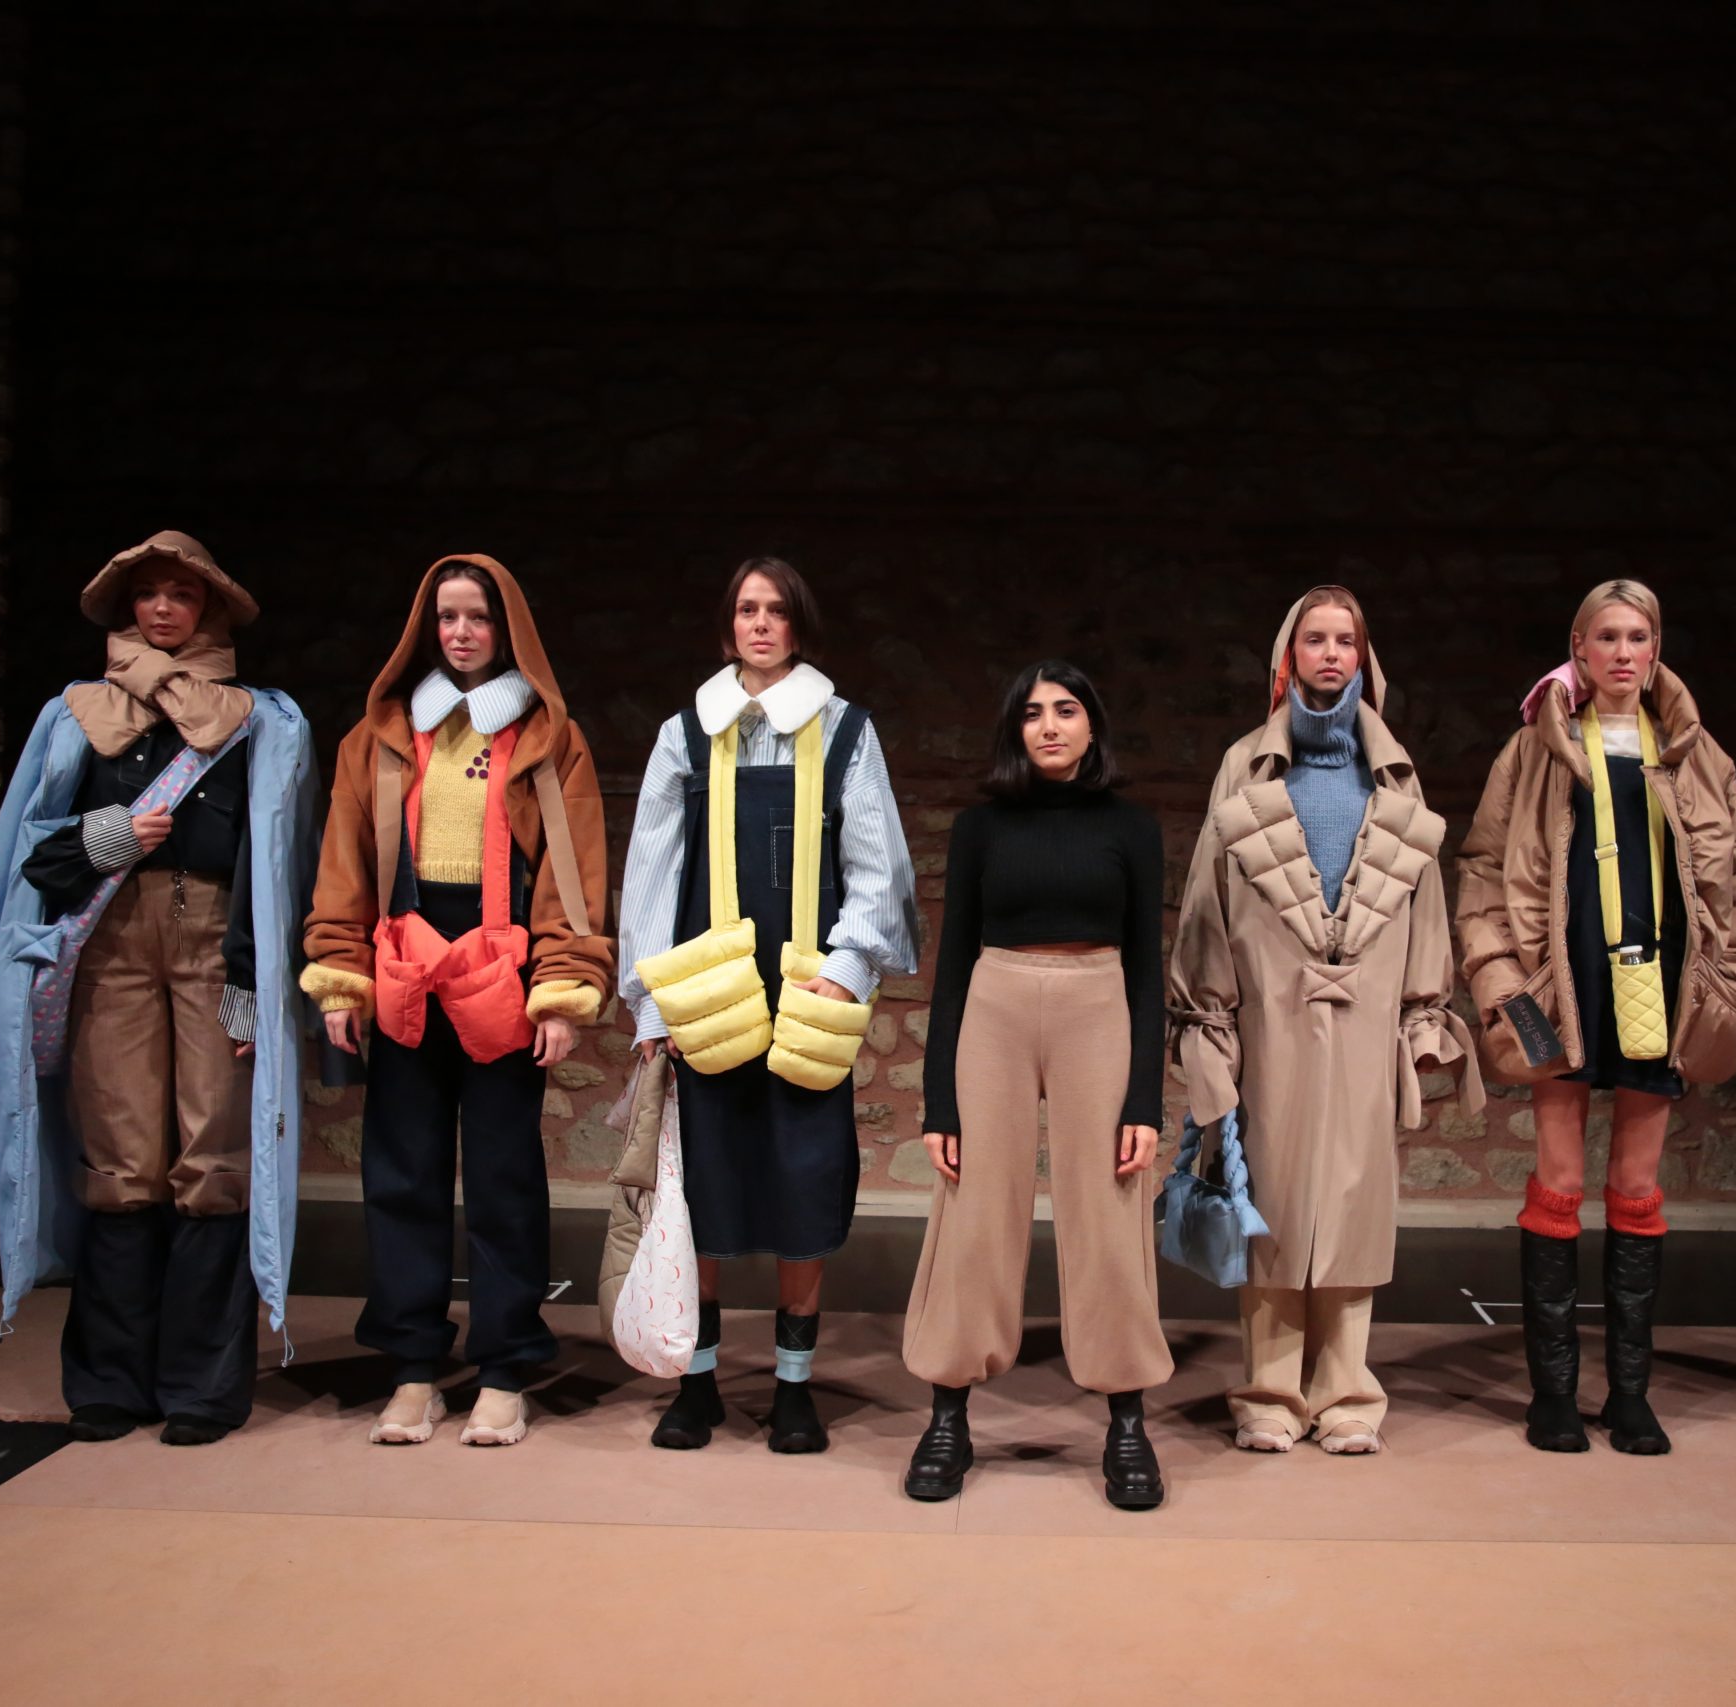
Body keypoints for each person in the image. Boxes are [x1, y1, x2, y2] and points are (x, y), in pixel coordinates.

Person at [0, 530, 316, 1444]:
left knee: (214, 1162)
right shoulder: (74, 715)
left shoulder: (261, 720)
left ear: (209, 606)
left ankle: (200, 1387)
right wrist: (106, 837)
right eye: (148, 593)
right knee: (120, 1162)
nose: (163, 608)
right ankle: (110, 1381)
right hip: (108, 944)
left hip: (216, 943)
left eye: (182, 593)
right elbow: (27, 852)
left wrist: (254, 987)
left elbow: (280, 866)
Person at [300, 554, 611, 1448]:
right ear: (425, 628)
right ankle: (412, 1366)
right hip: (406, 963)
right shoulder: (382, 735)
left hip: (498, 968)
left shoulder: (550, 738)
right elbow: (343, 862)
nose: (462, 632)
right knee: (402, 1170)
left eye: (478, 617)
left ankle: (505, 1366)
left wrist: (563, 987)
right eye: (447, 617)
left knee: (505, 1173)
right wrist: (339, 972)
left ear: (507, 630)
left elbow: (573, 873)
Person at [1454, 578, 1736, 1456]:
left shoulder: (1698, 754)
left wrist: (1735, 976)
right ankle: (1553, 1396)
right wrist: (1503, 983)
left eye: (1638, 636)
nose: (1624, 652)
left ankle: (1630, 1394)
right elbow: (1482, 868)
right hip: (1562, 986)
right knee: (1558, 1175)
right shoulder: (1534, 751)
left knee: (1636, 1182)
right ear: (1579, 649)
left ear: (1656, 649)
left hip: (1659, 984)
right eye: (1607, 637)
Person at [617, 557, 921, 1453]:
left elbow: (877, 868)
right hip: (707, 1004)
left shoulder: (845, 730)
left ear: (798, 626)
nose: (760, 624)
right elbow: (651, 874)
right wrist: (651, 1010)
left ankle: (793, 1387)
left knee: (802, 1190)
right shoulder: (685, 734)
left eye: (776, 610)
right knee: (702, 1193)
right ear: (728, 628)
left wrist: (847, 970)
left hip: (801, 1003)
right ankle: (698, 1381)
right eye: (746, 609)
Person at [1167, 588, 1476, 1456]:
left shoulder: (1395, 772)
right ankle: (1269, 1390)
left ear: (1365, 657)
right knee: (1269, 1190)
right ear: (1289, 654)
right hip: (1270, 1007)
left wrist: (1423, 1012)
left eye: (1346, 640)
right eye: (1316, 639)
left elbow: (1423, 899)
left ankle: (1346, 1391)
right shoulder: (1246, 765)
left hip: (1367, 1009)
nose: (1332, 653)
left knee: (1354, 1197)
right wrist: (1207, 1015)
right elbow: (1208, 895)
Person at [901, 662, 1171, 1509]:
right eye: (1031, 713)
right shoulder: (980, 828)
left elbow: (1148, 968)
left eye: (1065, 709)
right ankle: (948, 1414)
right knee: (974, 1208)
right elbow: (951, 965)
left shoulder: (1132, 828)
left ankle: (1127, 1420)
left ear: (1093, 724)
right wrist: (939, 1100)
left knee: (1111, 1209)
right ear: (1013, 731)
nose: (1049, 725)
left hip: (1099, 1004)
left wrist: (1147, 1101)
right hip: (996, 1005)